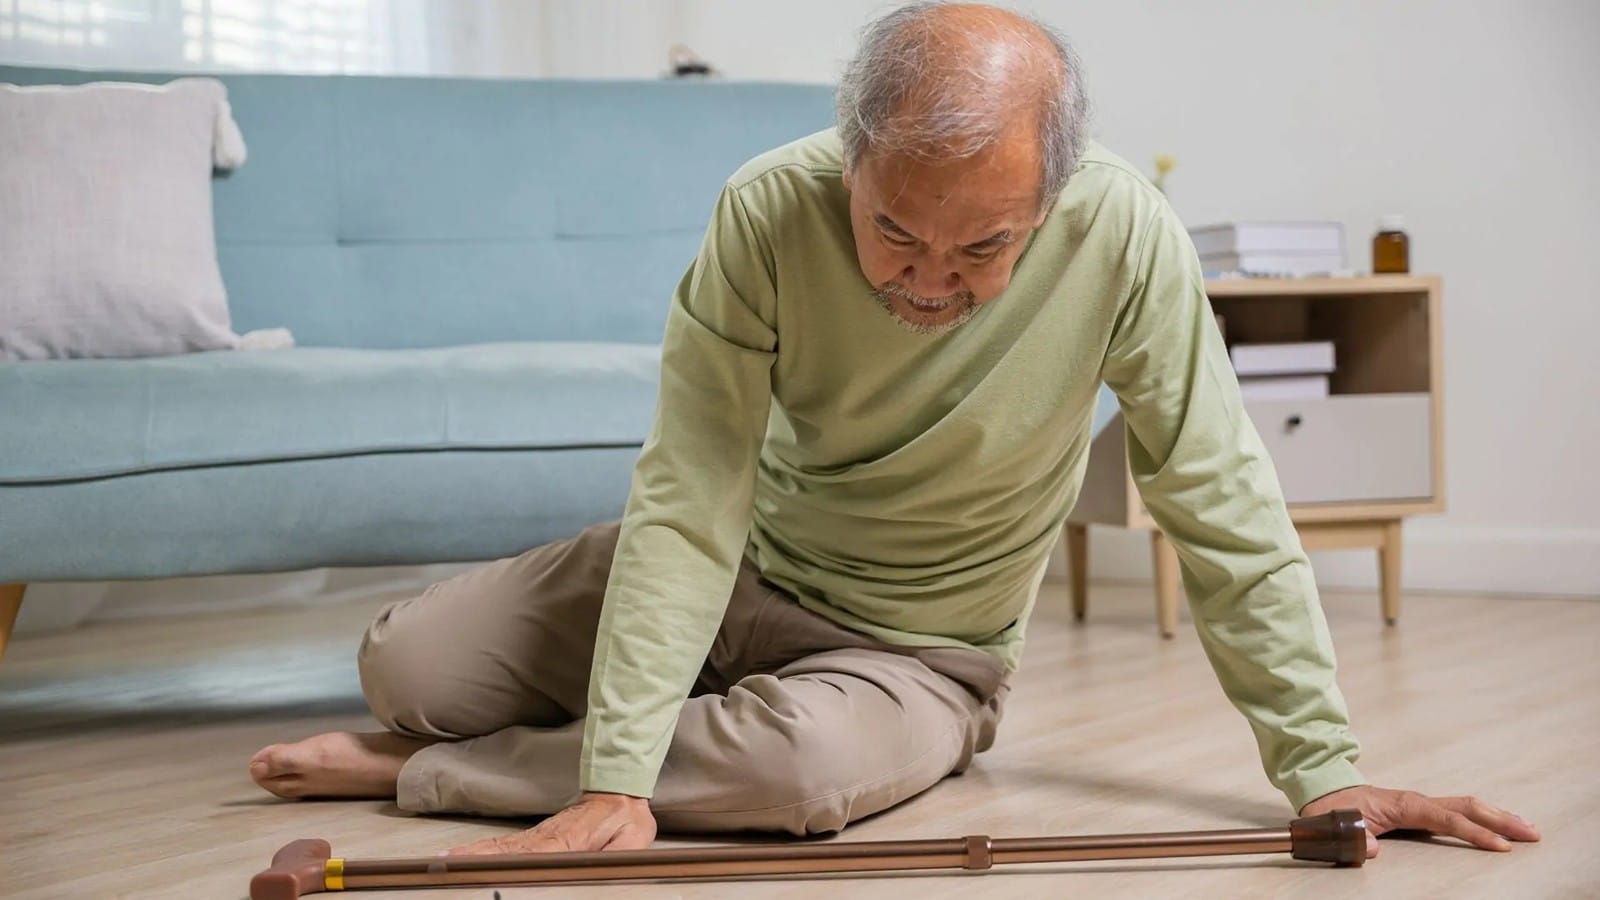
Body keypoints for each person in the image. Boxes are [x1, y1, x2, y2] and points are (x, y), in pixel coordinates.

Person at [249, 1, 1539, 860]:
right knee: (407, 670)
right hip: (742, 567)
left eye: (983, 246)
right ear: (851, 158)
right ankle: (578, 738)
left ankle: (436, 773)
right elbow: (692, 496)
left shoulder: (1124, 232)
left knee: (799, 778)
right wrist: (616, 774)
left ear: (1052, 195)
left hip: (921, 656)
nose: (928, 279)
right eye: (892, 233)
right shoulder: (767, 209)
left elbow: (1222, 505)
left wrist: (1321, 766)